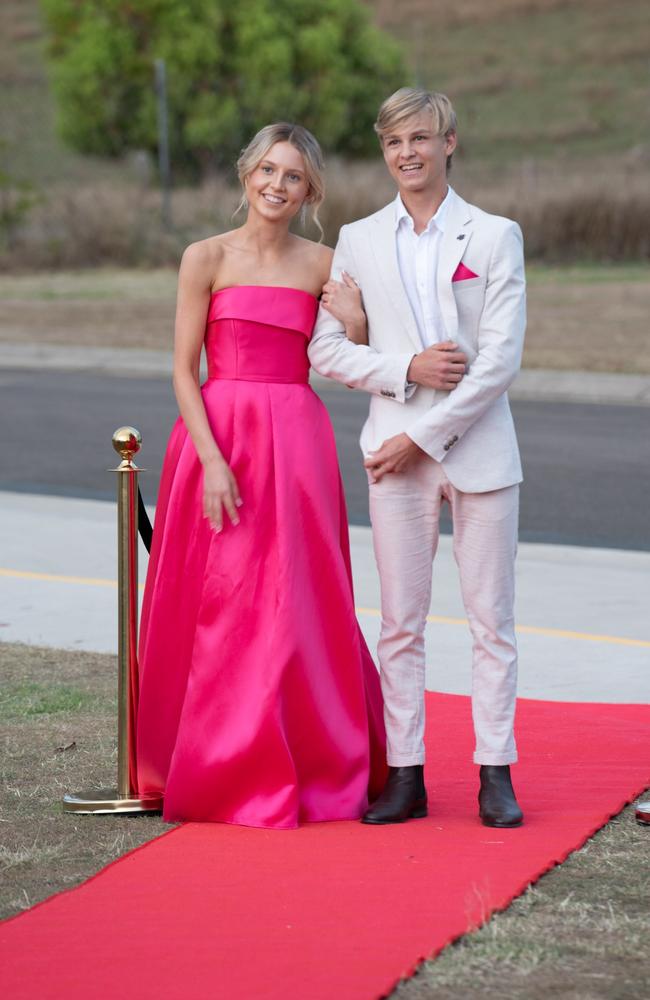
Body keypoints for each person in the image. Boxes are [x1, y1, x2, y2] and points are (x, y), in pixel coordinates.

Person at [136, 123, 388, 829]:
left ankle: (309, 757)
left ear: (311, 191)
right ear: (247, 174)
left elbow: (350, 360)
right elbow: (185, 370)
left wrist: (359, 322)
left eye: (294, 177)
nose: (278, 186)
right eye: (268, 171)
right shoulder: (204, 257)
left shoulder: (324, 263)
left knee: (296, 598)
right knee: (220, 599)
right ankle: (213, 760)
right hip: (218, 438)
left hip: (297, 443)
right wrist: (213, 459)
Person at [309, 88, 527, 828]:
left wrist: (422, 435)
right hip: (390, 457)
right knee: (399, 622)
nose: (407, 152)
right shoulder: (358, 238)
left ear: (450, 143)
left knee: (490, 620)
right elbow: (326, 348)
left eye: (421, 138)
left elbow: (499, 363)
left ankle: (494, 773)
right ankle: (406, 776)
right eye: (394, 141)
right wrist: (407, 370)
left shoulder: (496, 236)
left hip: (479, 453)